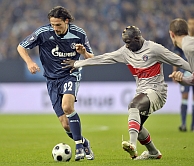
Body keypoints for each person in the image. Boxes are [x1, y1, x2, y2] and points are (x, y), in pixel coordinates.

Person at [62, 26, 191, 160]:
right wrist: (77, 63)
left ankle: (132, 145)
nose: (127, 45)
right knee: (137, 126)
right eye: (125, 42)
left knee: (133, 106)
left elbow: (179, 61)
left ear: (137, 38)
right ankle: (153, 152)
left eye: (128, 42)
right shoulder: (125, 52)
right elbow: (103, 58)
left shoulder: (154, 49)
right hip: (142, 91)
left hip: (157, 91)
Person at [17, 6, 94, 161]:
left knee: (67, 106)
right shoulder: (43, 33)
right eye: (52, 25)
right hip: (51, 80)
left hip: (70, 74)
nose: (55, 28)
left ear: (66, 21)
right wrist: (29, 62)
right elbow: (21, 47)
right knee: (66, 124)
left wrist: (83, 53)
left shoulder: (79, 34)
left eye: (58, 25)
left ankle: (79, 147)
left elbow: (92, 59)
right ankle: (85, 142)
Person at [169, 18, 194, 131]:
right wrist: (183, 80)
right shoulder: (186, 46)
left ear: (171, 34)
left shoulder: (188, 46)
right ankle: (185, 124)